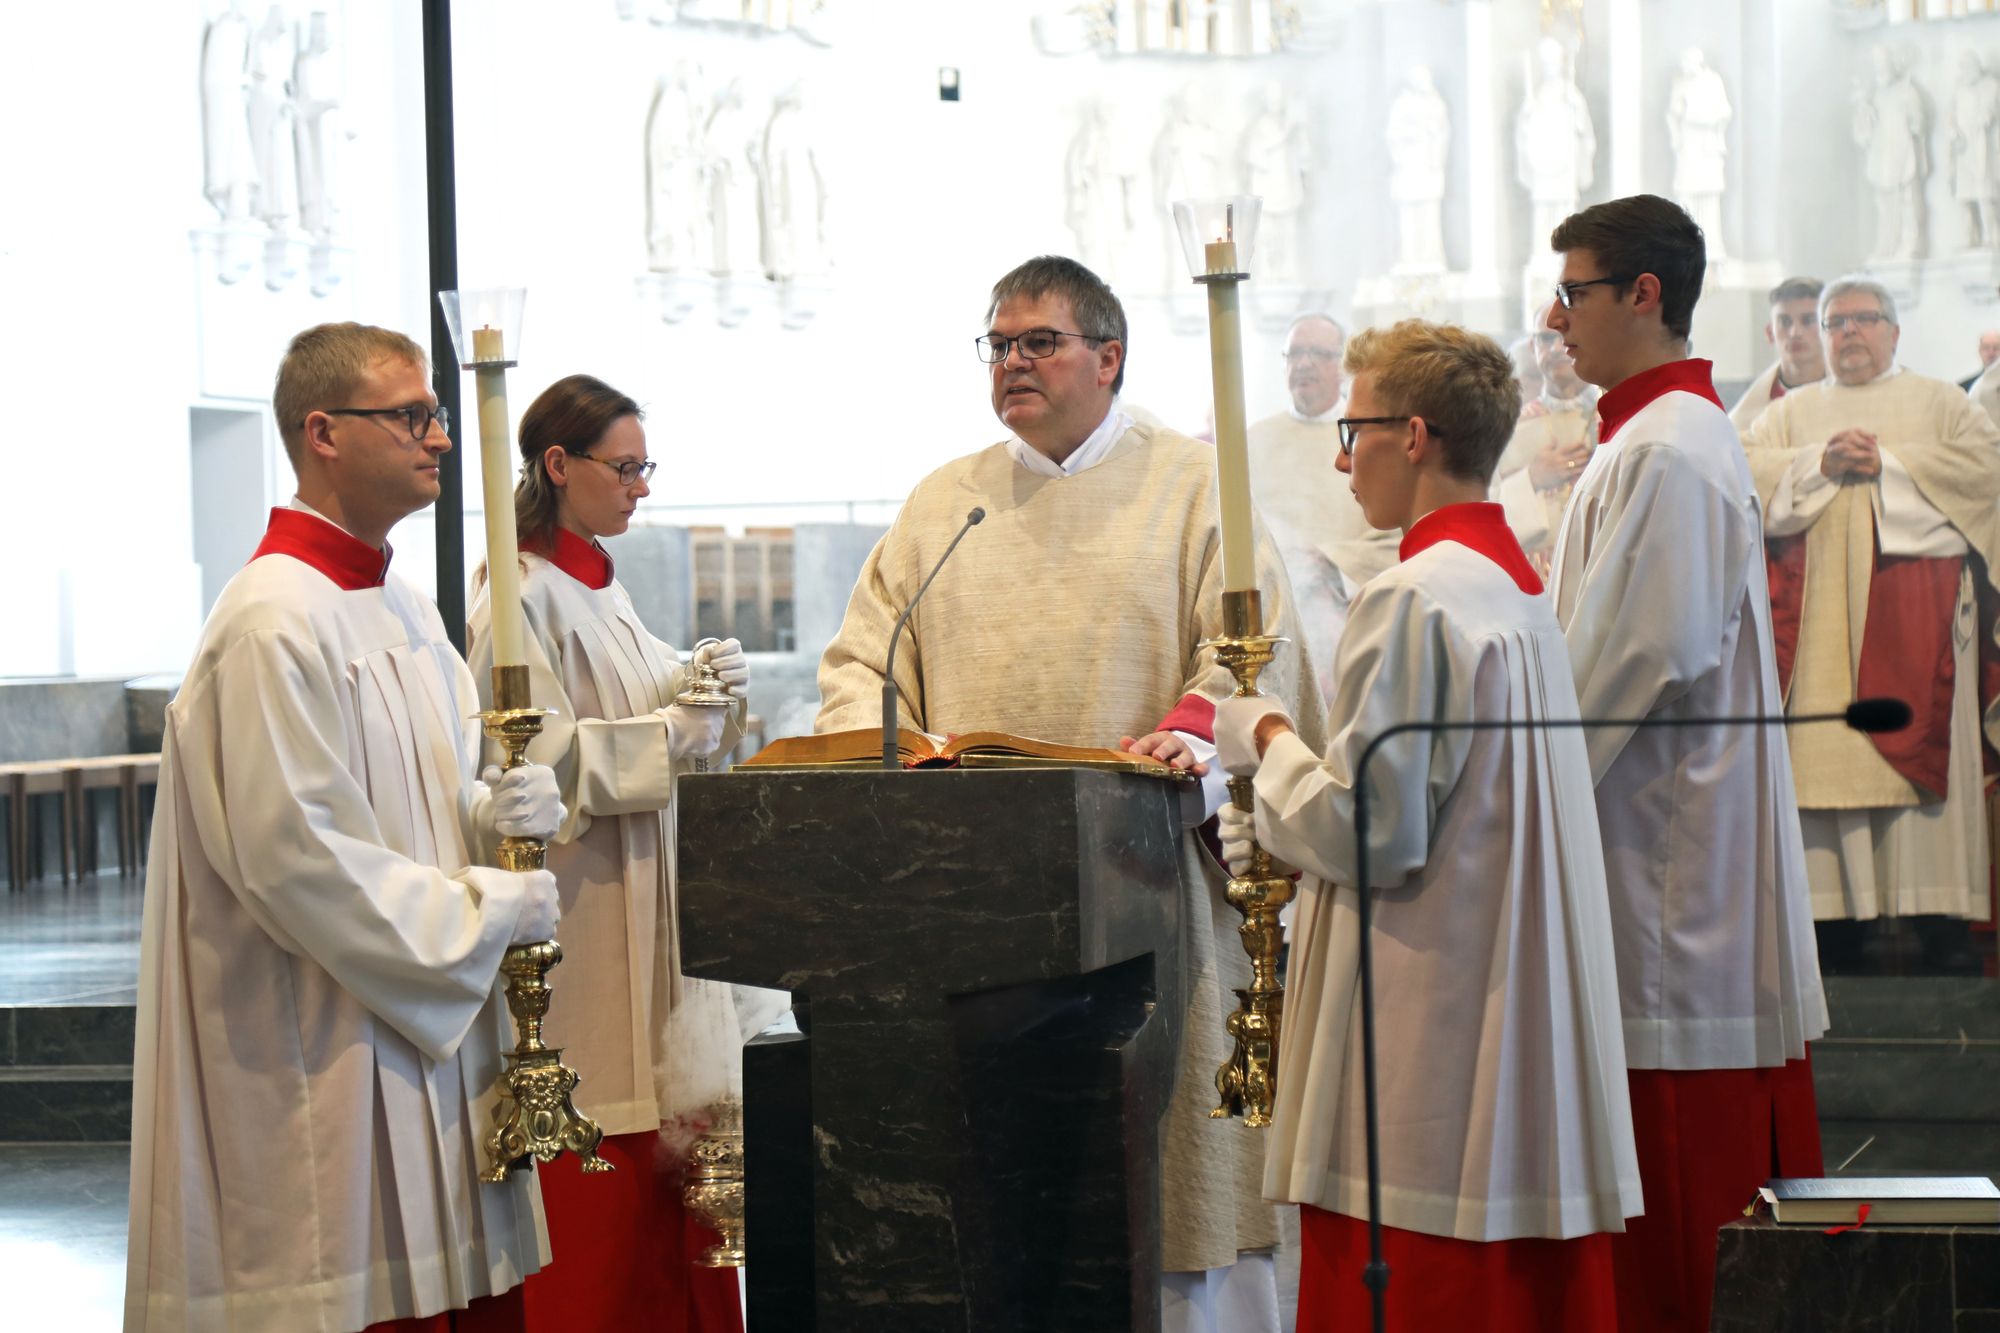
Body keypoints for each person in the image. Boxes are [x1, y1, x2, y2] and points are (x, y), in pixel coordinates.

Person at [816, 254, 1327, 1332]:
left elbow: (1249, 656)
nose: (1012, 362)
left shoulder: (1195, 487)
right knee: (1006, 1218)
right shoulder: (945, 503)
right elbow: (862, 663)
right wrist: (893, 746)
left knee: (1171, 1190)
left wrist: (1193, 735)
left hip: (1149, 884)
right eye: (998, 344)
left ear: (1108, 356)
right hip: (975, 911)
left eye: (1038, 342)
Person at [125, 322, 567, 1332]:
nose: (440, 437)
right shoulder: (272, 619)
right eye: (410, 415)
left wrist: (498, 811)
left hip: (420, 1040)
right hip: (319, 1050)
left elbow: (424, 801)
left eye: (437, 414)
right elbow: (300, 857)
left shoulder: (404, 608)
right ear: (323, 433)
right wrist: (484, 907)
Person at [1212, 319, 1640, 1332]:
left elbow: (1373, 833)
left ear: (1411, 436)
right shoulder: (1510, 587)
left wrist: (1264, 735)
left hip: (1425, 1030)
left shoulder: (1412, 597)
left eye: (1352, 430)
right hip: (1498, 999)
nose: (1339, 457)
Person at [1540, 195, 1827, 1333]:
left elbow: (1637, 653)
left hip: (1661, 873)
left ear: (1643, 294)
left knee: (1676, 1218)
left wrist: (1511, 789)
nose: (1554, 317)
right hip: (1654, 854)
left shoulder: (1669, 447)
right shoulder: (1650, 436)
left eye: (1572, 291)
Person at [468, 374, 788, 1330]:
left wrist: (703, 681)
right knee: (608, 1160)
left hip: (651, 900)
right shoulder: (519, 595)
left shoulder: (601, 579)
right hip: (589, 916)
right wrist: (670, 733)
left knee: (669, 1150)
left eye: (648, 465)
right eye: (625, 467)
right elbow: (528, 766)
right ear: (558, 464)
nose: (641, 485)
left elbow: (644, 706)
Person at [1741, 277, 2000, 971]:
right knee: (1824, 768)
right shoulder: (1789, 415)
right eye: (1835, 323)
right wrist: (1814, 463)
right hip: (1818, 637)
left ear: (1894, 329)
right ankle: (1834, 938)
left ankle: (1940, 929)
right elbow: (1742, 473)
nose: (1848, 332)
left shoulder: (1942, 402)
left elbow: (1988, 474)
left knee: (1923, 776)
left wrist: (1891, 464)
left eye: (1863, 319)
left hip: (1922, 625)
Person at [1247, 313, 1401, 700]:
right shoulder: (1253, 440)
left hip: (1353, 618)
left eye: (1317, 353)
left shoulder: (1371, 436)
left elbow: (1396, 533)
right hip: (1271, 621)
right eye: (1295, 354)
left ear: (1343, 366)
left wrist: (1328, 562)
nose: (1304, 363)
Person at [1491, 314, 1598, 569]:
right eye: (1546, 339)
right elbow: (1486, 507)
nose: (1557, 348)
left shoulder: (1614, 419)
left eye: (1566, 335)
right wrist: (1532, 478)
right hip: (1535, 574)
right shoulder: (1508, 430)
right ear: (1533, 347)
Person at [1730, 277, 1827, 432]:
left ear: (1828, 328)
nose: (1795, 333)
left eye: (1808, 321)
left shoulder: (1854, 397)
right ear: (1770, 333)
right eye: (1785, 322)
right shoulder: (1743, 422)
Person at [1961, 329, 2000, 393]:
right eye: (1986, 348)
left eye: (1996, 348)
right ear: (1980, 351)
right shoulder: (1964, 389)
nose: (1991, 353)